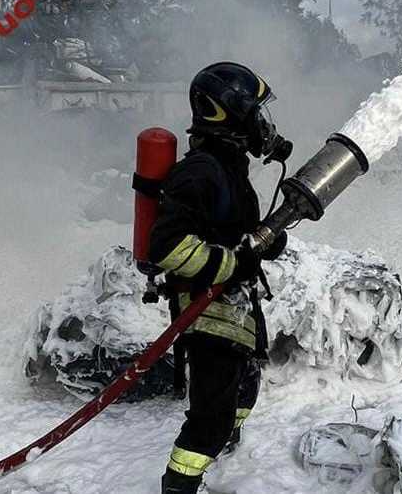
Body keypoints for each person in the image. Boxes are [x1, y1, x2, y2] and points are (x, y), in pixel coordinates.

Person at [149, 62, 292, 494]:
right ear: (226, 114)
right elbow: (169, 248)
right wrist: (237, 260)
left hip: (235, 304)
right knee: (208, 419)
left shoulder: (227, 167)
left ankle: (228, 449)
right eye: (255, 114)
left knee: (245, 388)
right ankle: (180, 484)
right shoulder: (201, 171)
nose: (263, 125)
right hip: (208, 311)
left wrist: (261, 244)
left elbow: (231, 233)